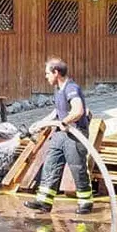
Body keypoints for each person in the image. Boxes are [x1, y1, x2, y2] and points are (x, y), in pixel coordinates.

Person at [24, 58, 94, 215]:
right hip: (60, 134)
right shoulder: (58, 89)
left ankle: (85, 203)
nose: (46, 76)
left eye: (47, 73)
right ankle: (44, 202)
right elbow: (57, 111)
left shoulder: (71, 88)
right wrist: (41, 123)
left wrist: (65, 121)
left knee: (77, 168)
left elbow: (78, 110)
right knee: (50, 165)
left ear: (56, 72)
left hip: (75, 134)